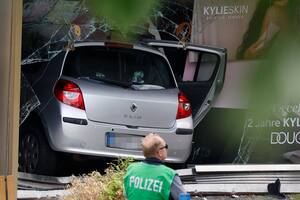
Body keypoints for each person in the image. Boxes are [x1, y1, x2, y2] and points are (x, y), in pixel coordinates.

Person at [123, 133, 186, 200]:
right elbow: (184, 198)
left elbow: (126, 194)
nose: (167, 149)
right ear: (160, 152)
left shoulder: (131, 169)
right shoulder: (169, 175)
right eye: (166, 146)